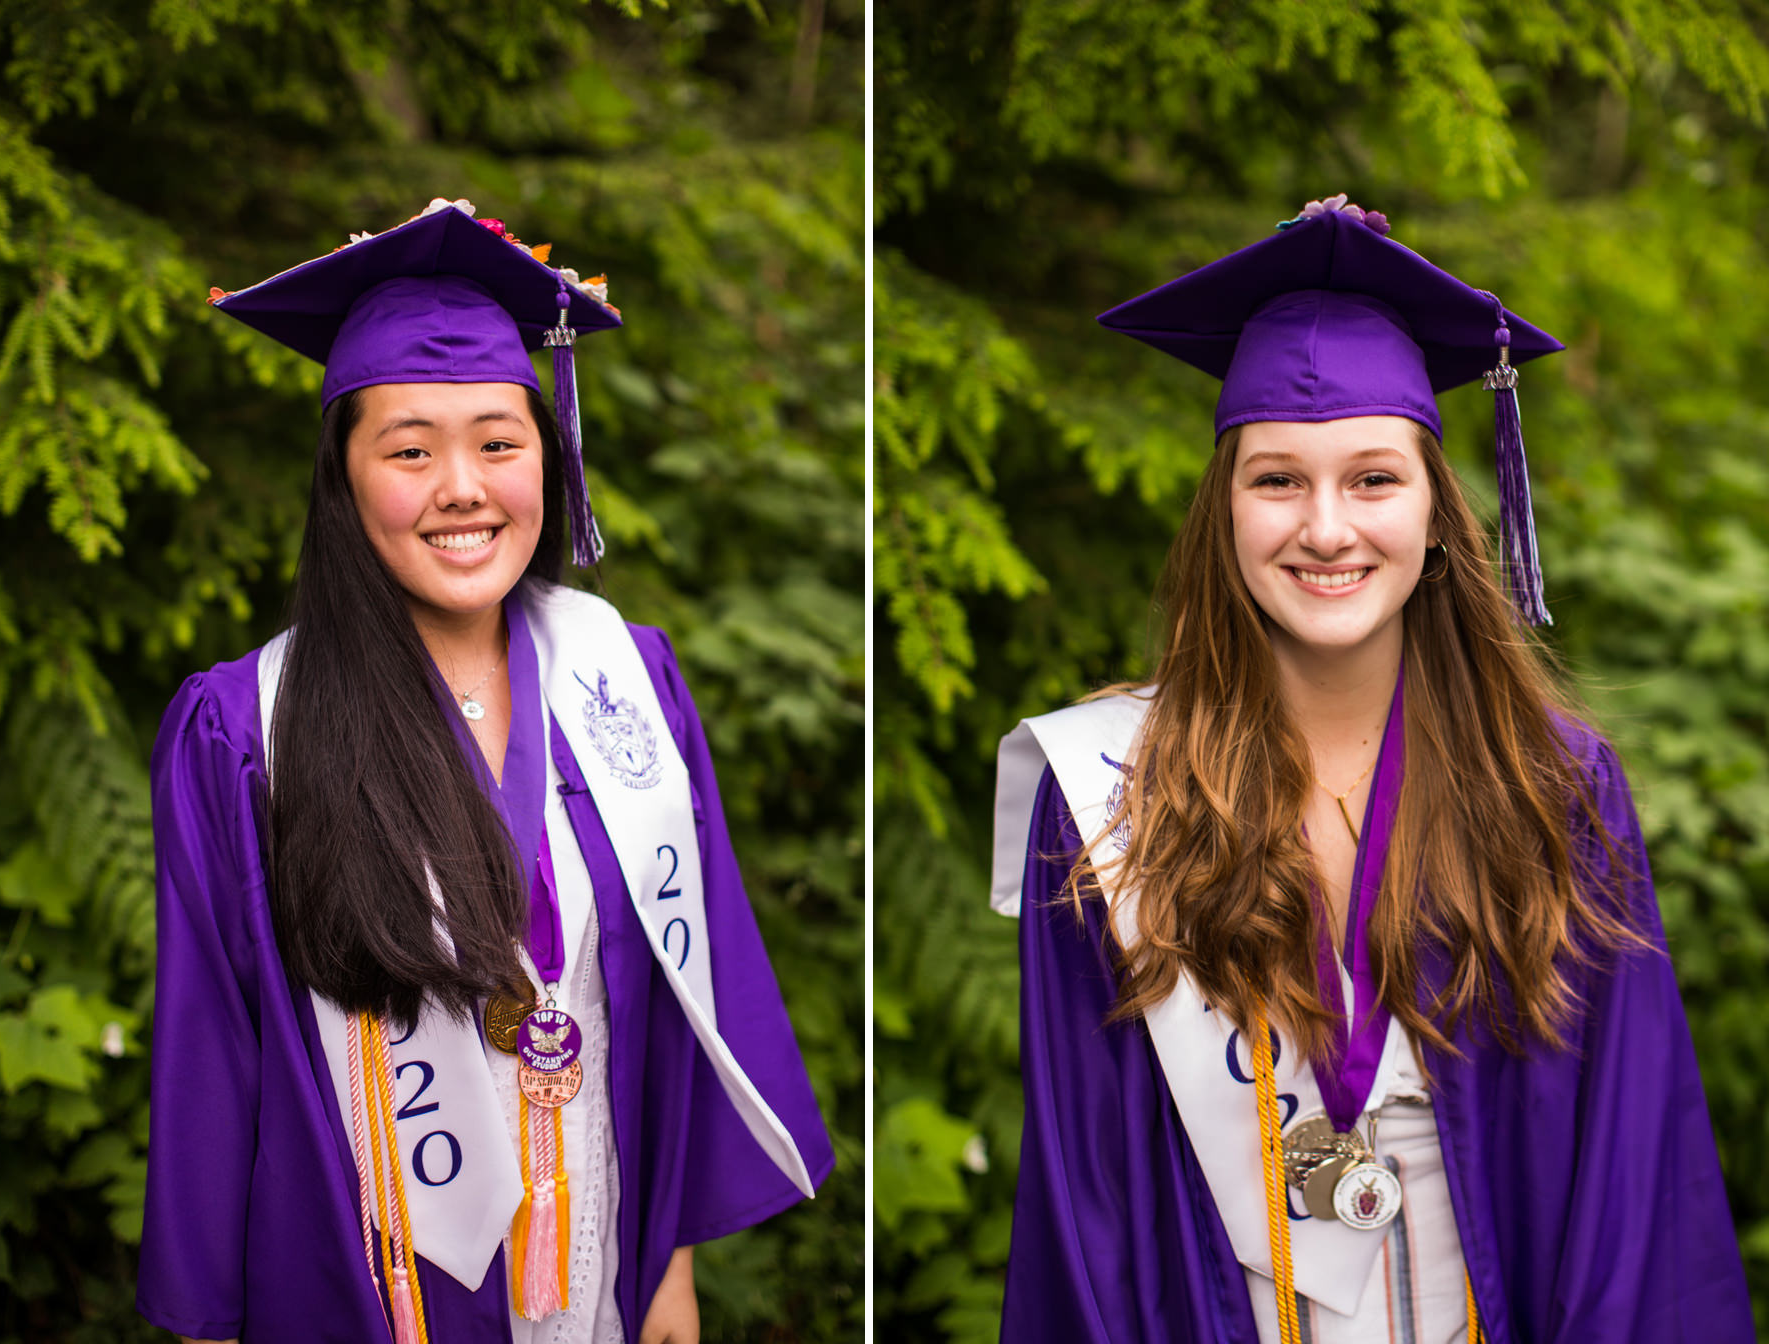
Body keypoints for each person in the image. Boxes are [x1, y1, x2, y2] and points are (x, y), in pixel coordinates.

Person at [989, 195, 1752, 1344]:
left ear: (1439, 511)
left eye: (1375, 479)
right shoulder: (1106, 798)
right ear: (1224, 512)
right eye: (1278, 479)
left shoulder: (1552, 788)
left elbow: (1630, 1180)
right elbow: (1086, 1203)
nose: (1328, 528)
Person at [139, 199, 832, 1344]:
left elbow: (678, 990)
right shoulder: (245, 729)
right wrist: (214, 1317)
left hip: (598, 1267)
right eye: (409, 450)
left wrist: (669, 1270)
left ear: (545, 460)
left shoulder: (625, 680)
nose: (462, 486)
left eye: (498, 443)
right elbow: (215, 1051)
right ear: (345, 480)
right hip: (373, 1282)